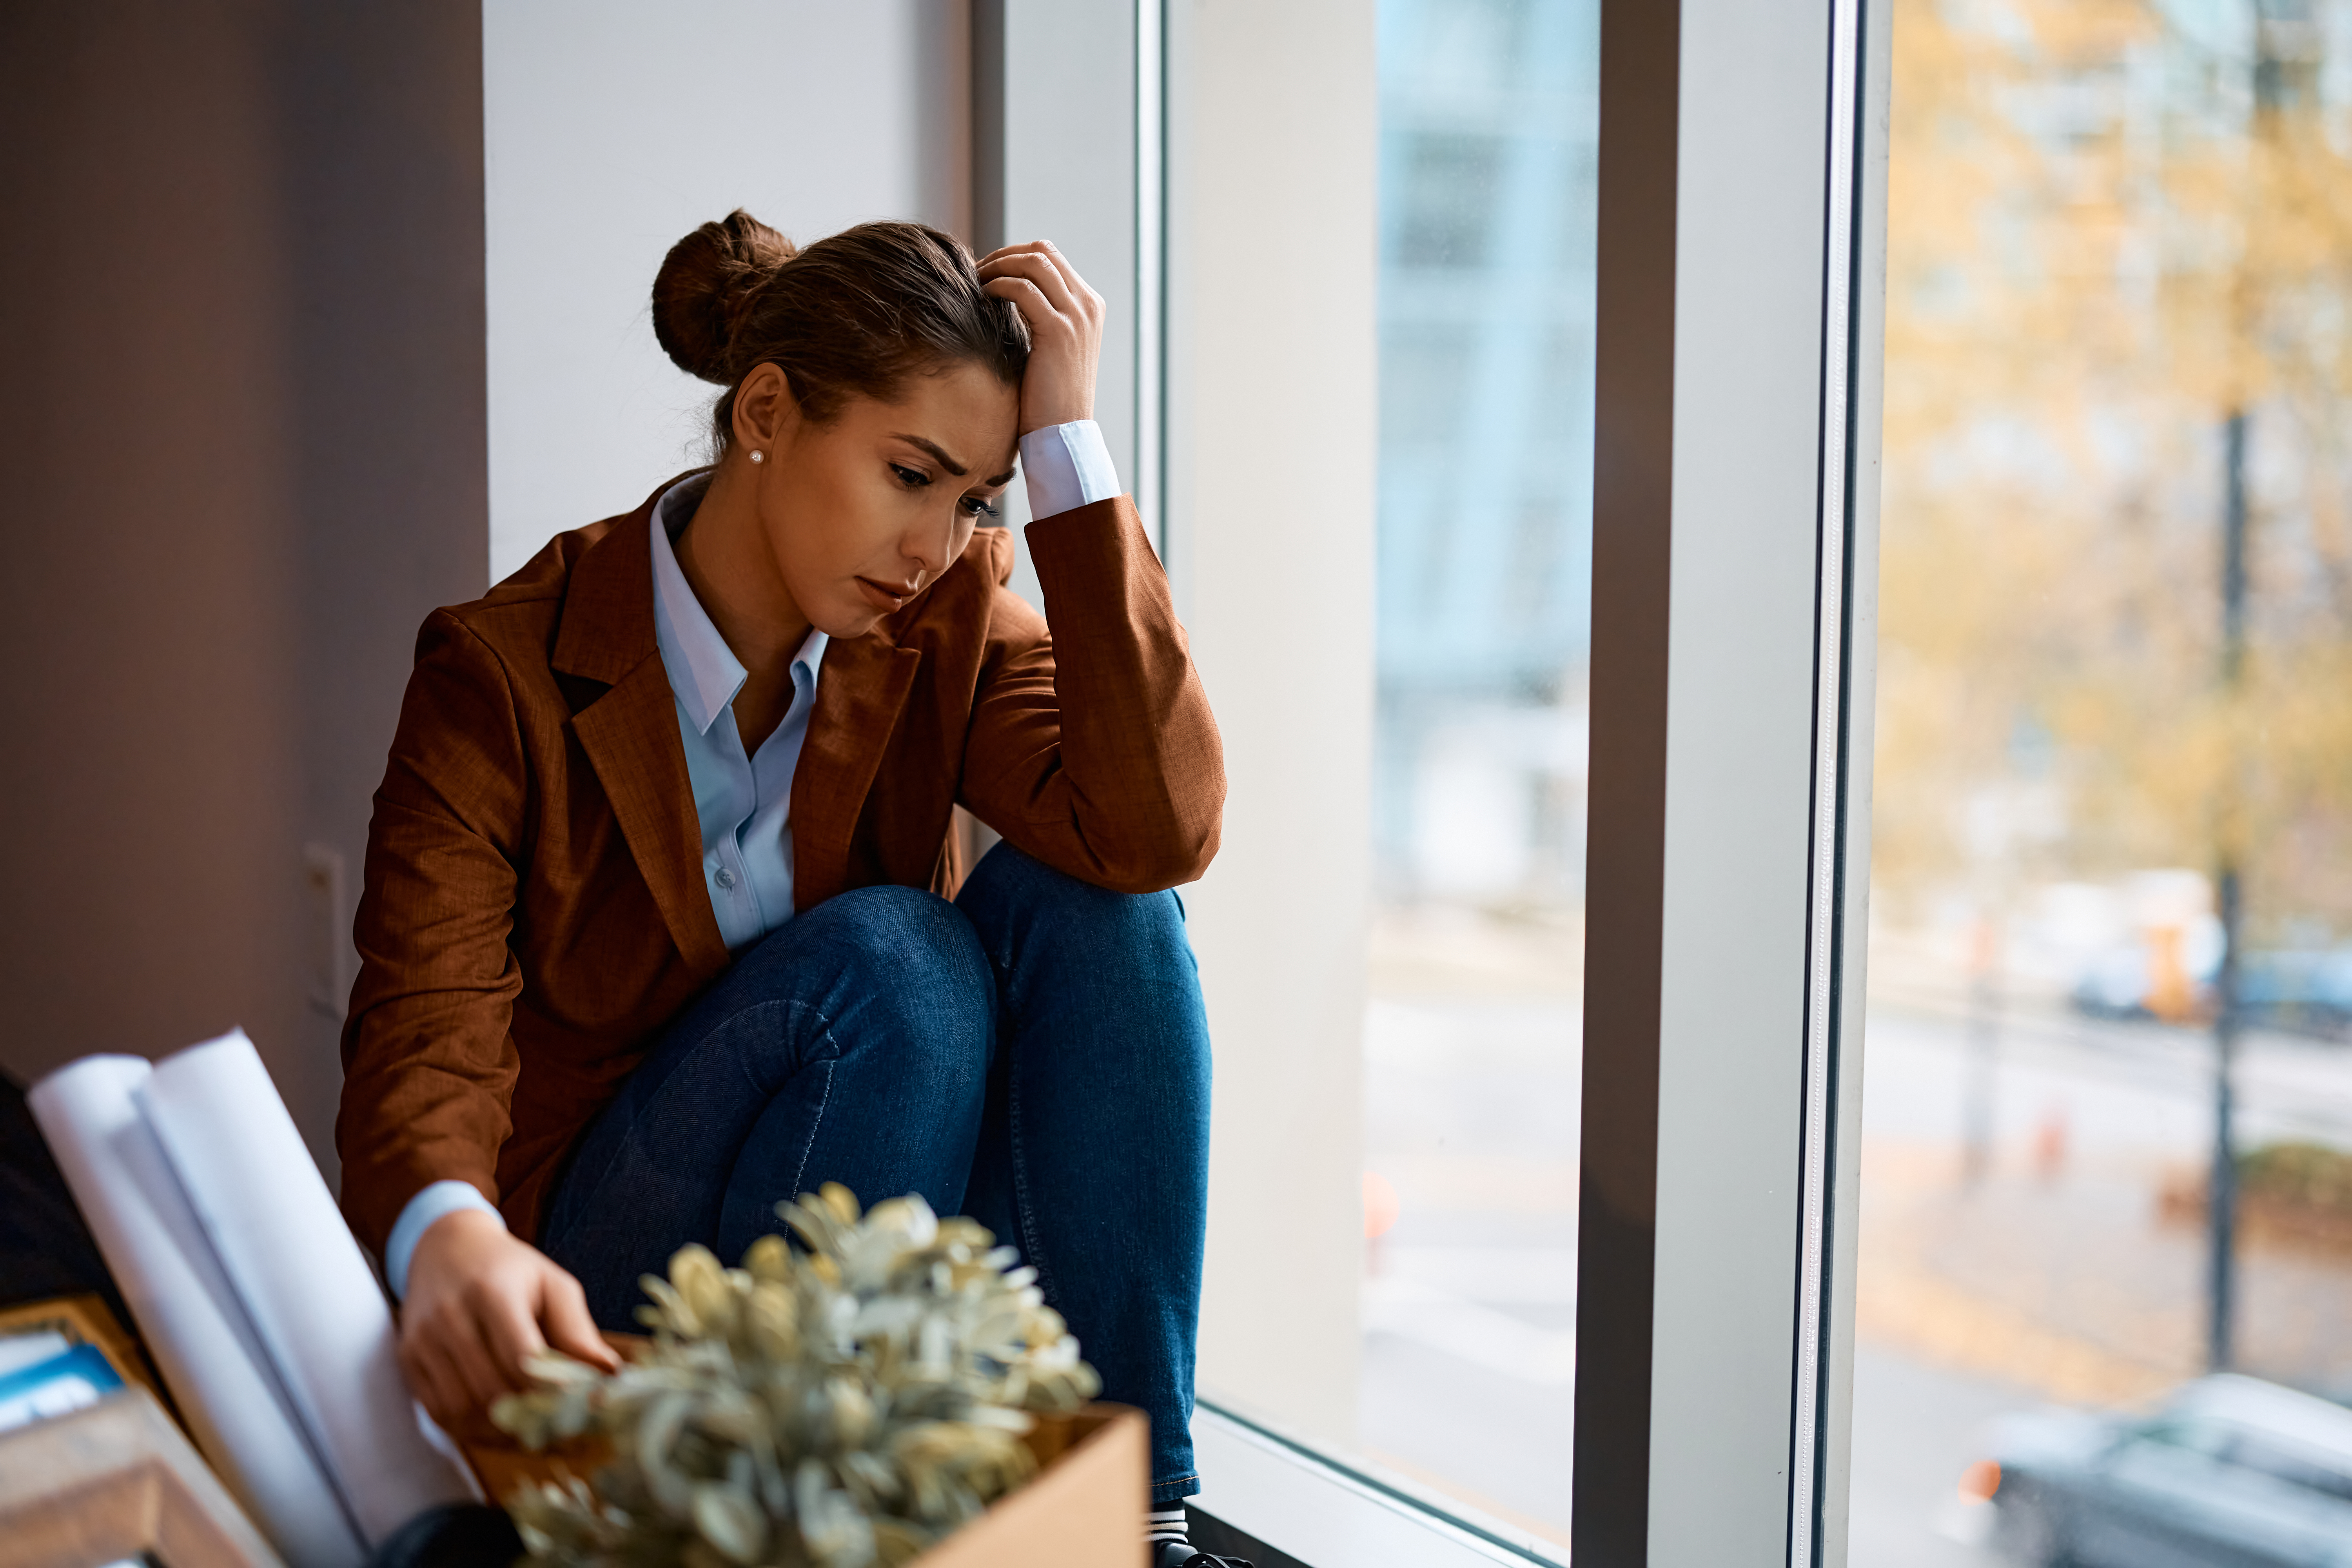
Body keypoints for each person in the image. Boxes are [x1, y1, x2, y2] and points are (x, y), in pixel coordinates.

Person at [336, 211, 1241, 1566]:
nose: (937, 543)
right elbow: (427, 1014)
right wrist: (446, 1232)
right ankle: (810, 1517)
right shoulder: (501, 672)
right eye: (909, 473)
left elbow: (1157, 826)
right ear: (766, 412)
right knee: (899, 960)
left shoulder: (941, 617)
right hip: (613, 1256)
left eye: (975, 499)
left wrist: (1072, 460)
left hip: (872, 1225)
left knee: (1096, 904)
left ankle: (1133, 1524)